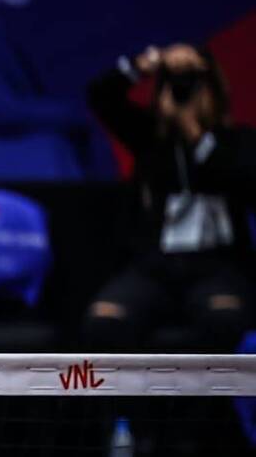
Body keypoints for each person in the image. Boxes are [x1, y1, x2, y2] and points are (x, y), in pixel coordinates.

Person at [83, 42, 256, 352]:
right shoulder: (149, 137)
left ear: (213, 91)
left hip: (217, 266)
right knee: (106, 320)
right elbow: (100, 96)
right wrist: (146, 64)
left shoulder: (238, 142)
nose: (183, 93)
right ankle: (136, 388)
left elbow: (241, 179)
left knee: (224, 319)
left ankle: (206, 389)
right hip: (153, 267)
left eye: (192, 85)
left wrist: (193, 130)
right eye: (175, 84)